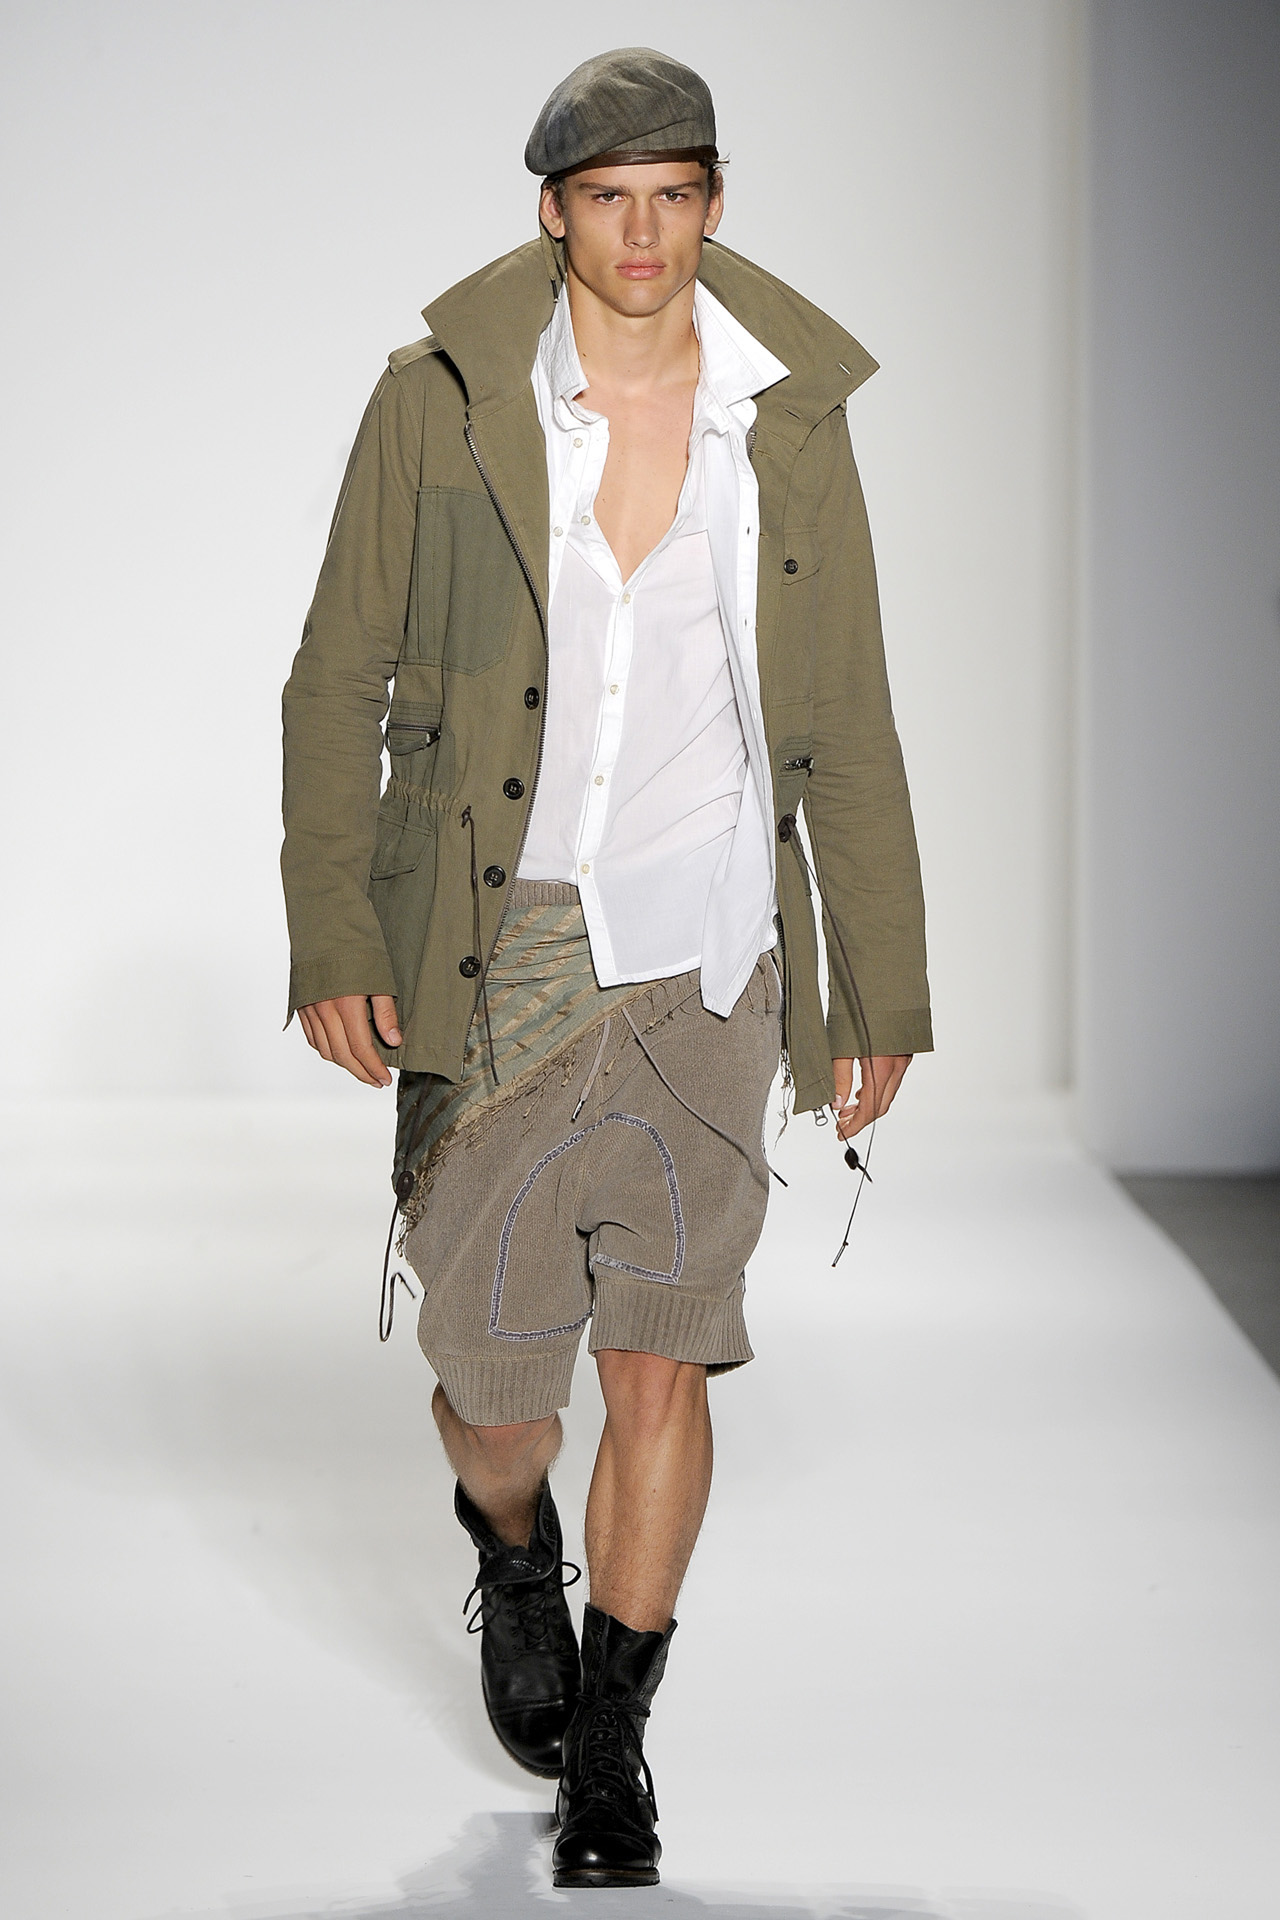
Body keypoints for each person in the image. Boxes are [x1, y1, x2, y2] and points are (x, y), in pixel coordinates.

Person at [280, 46, 931, 1891]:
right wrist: (335, 932)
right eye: (606, 200)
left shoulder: (785, 417)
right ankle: (511, 1542)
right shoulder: (439, 402)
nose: (642, 235)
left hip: (709, 948)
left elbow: (847, 715)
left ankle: (615, 1752)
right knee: (501, 1391)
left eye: (674, 197)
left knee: (665, 1356)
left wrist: (877, 980)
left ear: (714, 204)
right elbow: (336, 677)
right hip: (497, 941)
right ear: (554, 212)